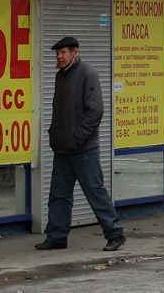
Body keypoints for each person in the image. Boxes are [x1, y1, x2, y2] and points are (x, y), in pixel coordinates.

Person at [35, 37, 126, 252]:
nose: (59, 57)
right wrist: (55, 135)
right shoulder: (61, 76)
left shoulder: (87, 73)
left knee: (95, 191)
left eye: (63, 53)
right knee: (58, 195)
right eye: (57, 54)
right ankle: (56, 237)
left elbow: (96, 111)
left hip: (83, 149)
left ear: (75, 52)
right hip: (63, 148)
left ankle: (115, 234)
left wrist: (78, 137)